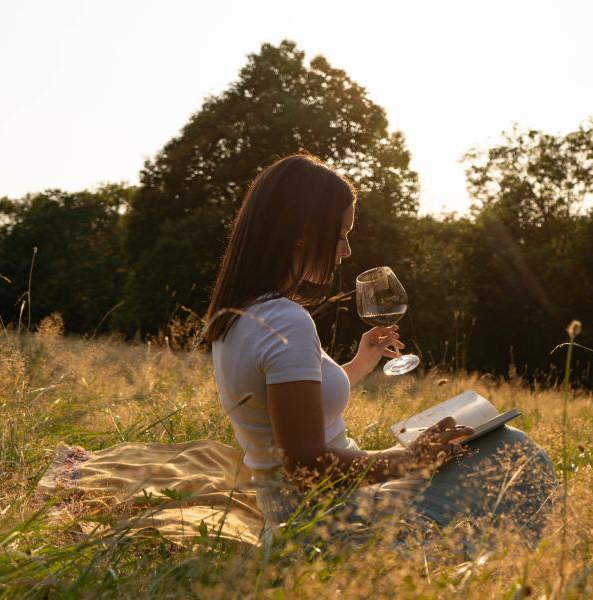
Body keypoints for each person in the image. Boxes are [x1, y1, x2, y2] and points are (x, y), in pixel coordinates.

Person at [204, 153, 558, 546]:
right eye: (340, 234)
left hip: (295, 514)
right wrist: (409, 458)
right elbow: (307, 465)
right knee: (513, 450)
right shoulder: (287, 321)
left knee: (485, 448)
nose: (347, 250)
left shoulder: (240, 315)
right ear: (303, 231)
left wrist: (358, 364)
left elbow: (291, 408)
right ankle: (524, 572)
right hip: (334, 519)